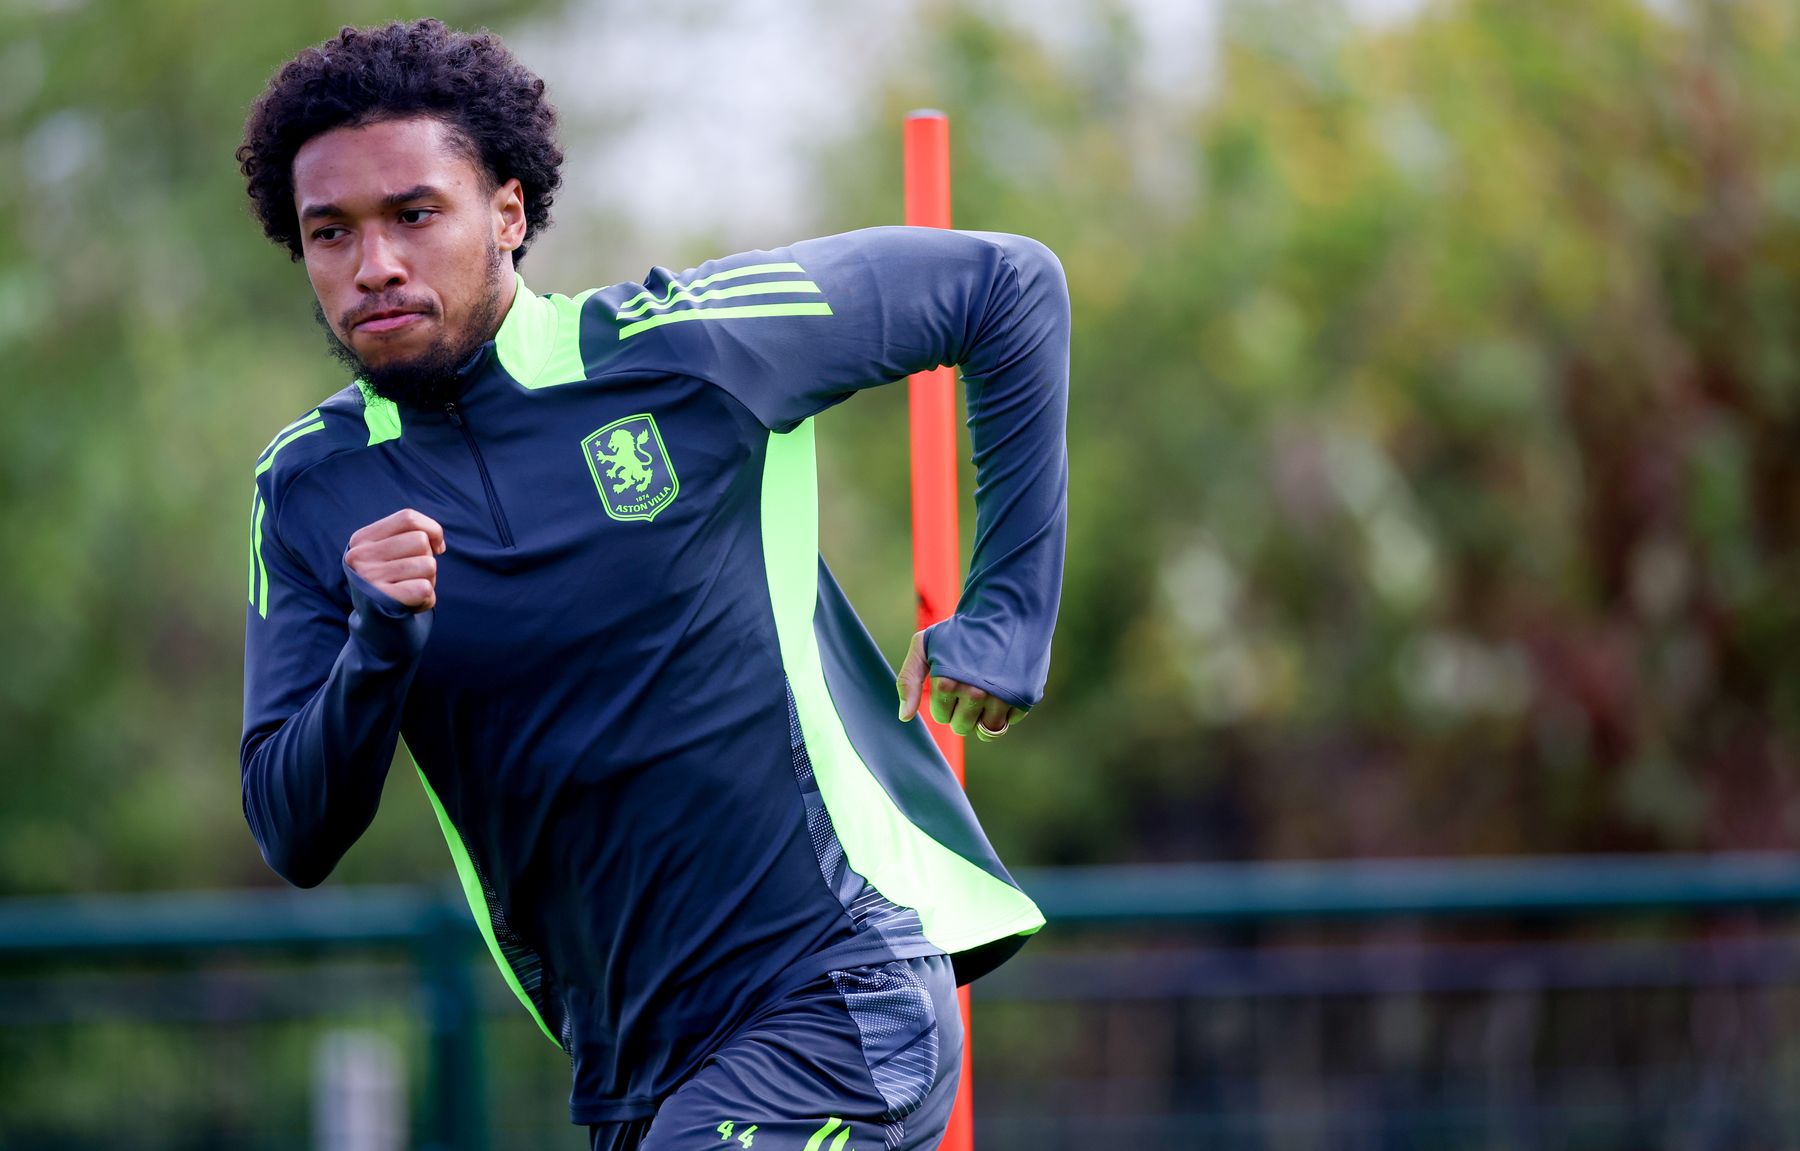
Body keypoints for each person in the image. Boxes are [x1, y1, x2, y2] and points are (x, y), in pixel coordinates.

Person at [236, 18, 1068, 1151]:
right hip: (629, 1073)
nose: (373, 264)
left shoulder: (684, 349)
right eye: (330, 232)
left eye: (414, 214)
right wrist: (375, 646)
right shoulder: (307, 490)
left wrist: (1008, 614)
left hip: (836, 992)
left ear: (510, 214)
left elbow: (1009, 287)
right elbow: (294, 829)